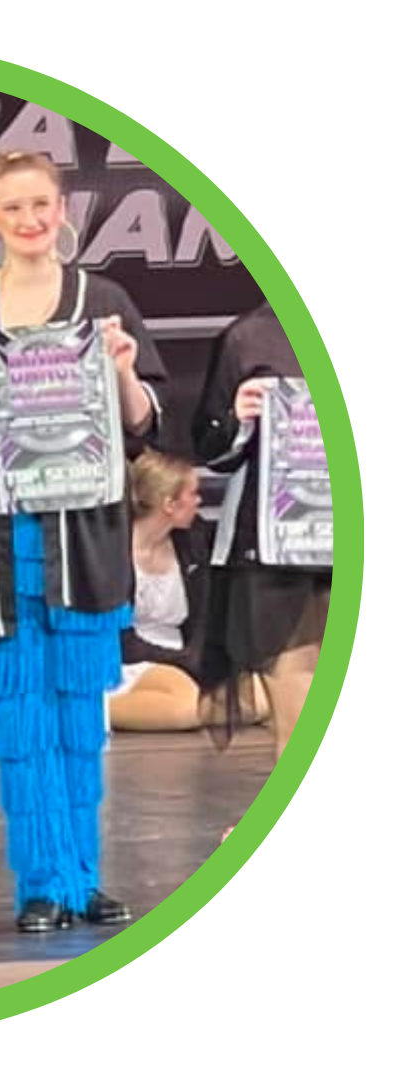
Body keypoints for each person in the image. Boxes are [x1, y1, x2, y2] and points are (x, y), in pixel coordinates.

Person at [0, 149, 168, 932]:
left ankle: (81, 876)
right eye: (13, 208)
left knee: (78, 721)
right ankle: (41, 883)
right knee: (23, 724)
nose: (30, 221)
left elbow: (141, 429)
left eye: (42, 205)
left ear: (63, 209)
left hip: (85, 541)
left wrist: (123, 369)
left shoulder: (105, 301)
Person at [192, 301, 330, 777]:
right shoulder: (250, 337)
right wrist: (239, 419)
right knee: (297, 721)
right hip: (274, 551)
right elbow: (211, 449)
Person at [108, 450, 214, 731]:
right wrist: (184, 661)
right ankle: (79, 713)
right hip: (132, 660)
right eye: (193, 494)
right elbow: (120, 640)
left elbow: (204, 617)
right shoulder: (113, 553)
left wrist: (197, 657)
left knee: (264, 694)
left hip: (182, 657)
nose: (199, 502)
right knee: (187, 706)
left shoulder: (192, 542)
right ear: (170, 504)